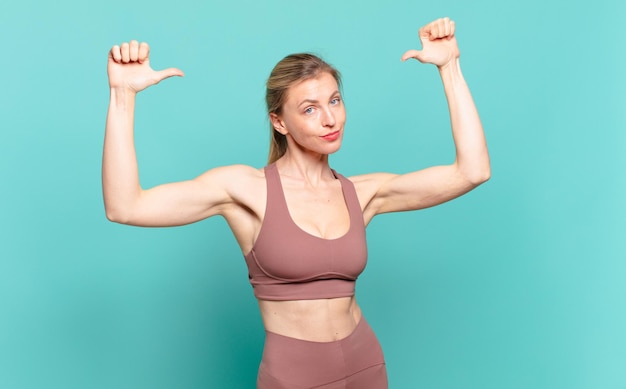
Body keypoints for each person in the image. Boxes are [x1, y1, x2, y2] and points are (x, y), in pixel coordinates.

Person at [103, 17, 489, 389]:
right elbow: (125, 206)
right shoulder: (245, 189)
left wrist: (450, 67)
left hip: (366, 365)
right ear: (279, 122)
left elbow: (472, 171)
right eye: (309, 108)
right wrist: (122, 96)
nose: (329, 118)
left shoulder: (362, 193)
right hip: (294, 376)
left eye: (334, 101)